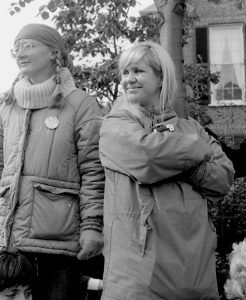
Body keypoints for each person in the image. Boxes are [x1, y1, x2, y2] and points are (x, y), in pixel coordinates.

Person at [99, 41, 235, 300]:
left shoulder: (190, 127)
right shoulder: (114, 125)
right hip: (139, 277)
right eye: (125, 72)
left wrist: (183, 166)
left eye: (138, 71)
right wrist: (195, 152)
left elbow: (223, 178)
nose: (129, 79)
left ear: (161, 77)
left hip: (195, 275)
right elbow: (148, 158)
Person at [0, 23, 105, 300]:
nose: (20, 52)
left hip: (60, 241)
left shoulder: (81, 104)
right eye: (17, 47)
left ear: (53, 53)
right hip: (13, 239)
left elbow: (94, 171)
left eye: (29, 45)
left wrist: (93, 226)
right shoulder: (8, 105)